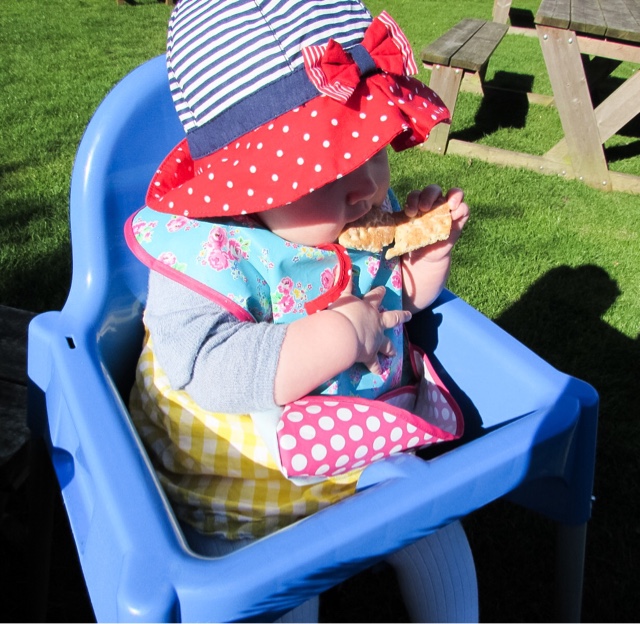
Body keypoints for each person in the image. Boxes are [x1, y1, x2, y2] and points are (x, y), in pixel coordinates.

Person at [126, 0, 477, 621]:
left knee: (434, 522)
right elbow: (203, 368)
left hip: (353, 452)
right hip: (244, 484)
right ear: (245, 184)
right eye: (327, 171)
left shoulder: (353, 211)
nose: (366, 187)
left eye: (371, 149)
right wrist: (337, 335)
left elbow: (391, 301)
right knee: (290, 591)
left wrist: (423, 265)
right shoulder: (204, 253)